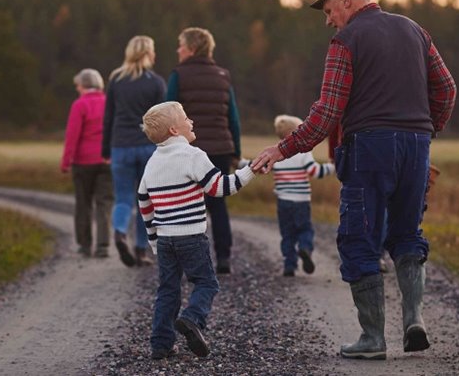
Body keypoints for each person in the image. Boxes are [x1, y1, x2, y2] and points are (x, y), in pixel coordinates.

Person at [249, 0, 457, 360]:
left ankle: (373, 339)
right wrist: (426, 132)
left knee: (358, 238)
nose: (328, 20)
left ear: (346, 0)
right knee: (407, 233)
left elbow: (328, 111)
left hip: (369, 147)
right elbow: (446, 88)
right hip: (415, 146)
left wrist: (283, 149)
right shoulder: (415, 30)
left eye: (329, 10)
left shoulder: (346, 40)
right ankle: (414, 320)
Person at [137, 101, 257, 360]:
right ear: (173, 130)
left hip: (166, 239)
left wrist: (153, 239)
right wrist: (250, 171)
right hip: (190, 235)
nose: (191, 121)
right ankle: (192, 319)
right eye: (185, 118)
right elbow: (220, 188)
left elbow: (144, 202)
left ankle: (161, 344)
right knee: (206, 283)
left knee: (167, 290)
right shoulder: (194, 156)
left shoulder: (152, 162)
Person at [165, 27, 243, 274]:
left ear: (191, 48)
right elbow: (234, 117)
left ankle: (189, 260)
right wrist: (235, 151)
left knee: (184, 204)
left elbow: (167, 114)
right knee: (218, 204)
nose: (178, 50)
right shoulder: (223, 76)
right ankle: (223, 258)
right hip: (220, 148)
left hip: (187, 151)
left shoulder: (179, 75)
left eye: (180, 45)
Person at [241, 115, 334, 276]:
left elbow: (258, 165)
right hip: (301, 201)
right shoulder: (303, 153)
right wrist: (332, 167)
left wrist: (241, 163)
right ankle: (305, 248)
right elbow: (315, 172)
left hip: (283, 202)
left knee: (287, 233)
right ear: (296, 133)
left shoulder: (276, 154)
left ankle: (289, 265)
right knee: (305, 229)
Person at [103, 35, 166, 267]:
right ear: (148, 53)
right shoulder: (156, 82)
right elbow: (162, 118)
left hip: (120, 145)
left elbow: (108, 117)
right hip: (148, 146)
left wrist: (105, 150)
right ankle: (140, 249)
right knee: (146, 200)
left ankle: (119, 232)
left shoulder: (116, 80)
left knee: (123, 198)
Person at [61, 68, 114, 258]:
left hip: (83, 162)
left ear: (83, 85)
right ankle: (103, 245)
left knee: (83, 203)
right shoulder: (109, 103)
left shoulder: (79, 105)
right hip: (107, 159)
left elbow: (72, 135)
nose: (77, 89)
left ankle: (85, 244)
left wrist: (66, 161)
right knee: (104, 203)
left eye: (77, 86)